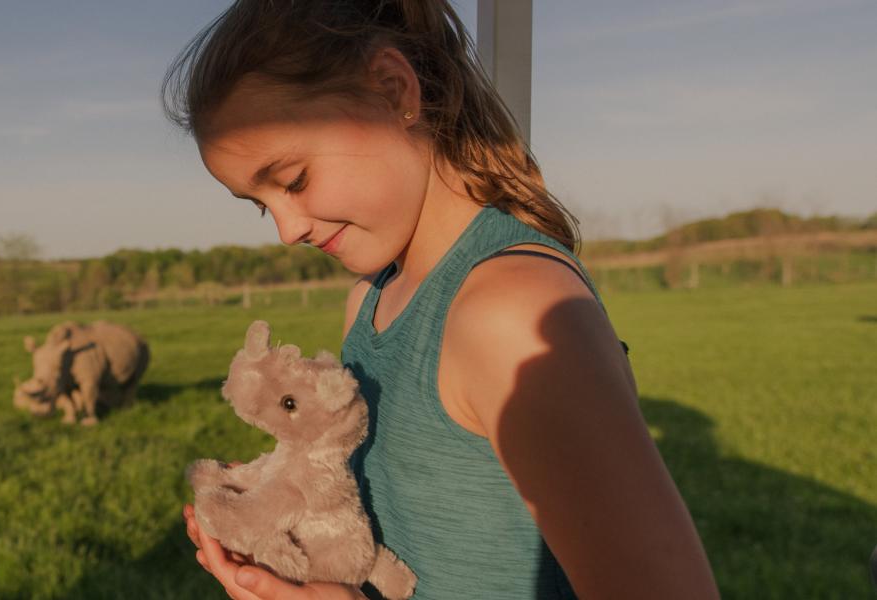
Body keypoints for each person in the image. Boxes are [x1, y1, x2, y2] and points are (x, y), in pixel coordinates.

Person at [165, 1, 718, 598]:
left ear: (394, 89)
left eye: (294, 179)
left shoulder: (509, 310)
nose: (286, 229)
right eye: (259, 203)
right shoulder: (369, 302)